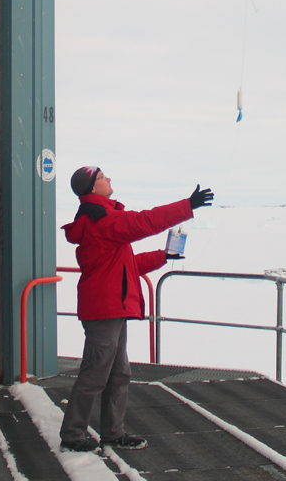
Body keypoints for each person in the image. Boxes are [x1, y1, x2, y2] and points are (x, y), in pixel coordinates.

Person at [58, 165, 214, 453]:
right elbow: (145, 221)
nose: (109, 179)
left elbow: (126, 266)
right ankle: (72, 435)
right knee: (95, 374)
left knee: (118, 374)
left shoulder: (100, 218)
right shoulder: (102, 219)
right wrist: (186, 206)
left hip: (111, 309)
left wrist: (162, 256)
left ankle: (113, 434)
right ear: (92, 188)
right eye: (103, 177)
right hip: (104, 310)